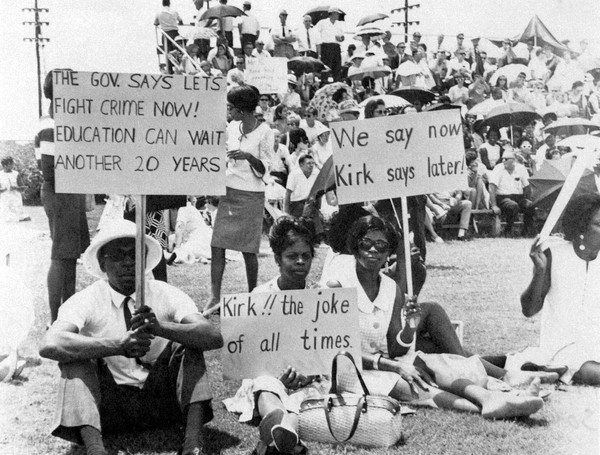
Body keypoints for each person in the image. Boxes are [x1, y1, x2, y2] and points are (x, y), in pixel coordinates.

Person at [328, 215, 545, 419]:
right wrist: (394, 367)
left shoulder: (390, 288)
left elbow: (396, 350)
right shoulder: (337, 286)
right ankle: (491, 406)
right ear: (355, 246)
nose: (373, 250)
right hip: (352, 371)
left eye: (382, 245)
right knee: (419, 387)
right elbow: (338, 350)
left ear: (388, 253)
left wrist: (410, 327)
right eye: (366, 243)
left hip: (389, 361)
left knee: (437, 366)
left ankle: (493, 398)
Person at [39, 219, 223, 455]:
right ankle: (96, 450)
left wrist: (160, 328)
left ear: (145, 260)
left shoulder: (165, 293)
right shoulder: (88, 299)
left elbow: (212, 336)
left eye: (135, 255)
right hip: (108, 405)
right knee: (75, 357)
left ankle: (193, 445)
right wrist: (117, 345)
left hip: (161, 402)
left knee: (188, 345)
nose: (128, 263)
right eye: (117, 256)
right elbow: (50, 344)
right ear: (102, 263)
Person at [223, 217, 325, 455]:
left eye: (306, 256)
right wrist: (277, 373)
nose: (300, 261)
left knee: (302, 397)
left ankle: (274, 440)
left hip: (310, 378)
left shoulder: (321, 297)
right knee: (267, 386)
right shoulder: (261, 297)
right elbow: (251, 355)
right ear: (278, 259)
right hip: (269, 375)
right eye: (292, 256)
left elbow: (328, 347)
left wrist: (309, 373)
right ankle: (279, 426)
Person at [206, 86, 274, 315]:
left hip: (251, 194)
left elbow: (266, 168)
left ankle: (253, 294)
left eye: (232, 107)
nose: (229, 111)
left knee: (248, 250)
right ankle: (214, 296)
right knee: (217, 246)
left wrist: (248, 156)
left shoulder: (265, 131)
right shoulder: (232, 127)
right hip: (229, 191)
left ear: (243, 110)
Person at [521, 194, 600, 385]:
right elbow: (529, 310)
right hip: (562, 345)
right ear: (581, 225)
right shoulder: (554, 254)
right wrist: (539, 272)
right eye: (599, 224)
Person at [37, 70, 90, 323]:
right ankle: (56, 318)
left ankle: (66, 315)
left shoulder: (66, 121)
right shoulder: (50, 125)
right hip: (60, 192)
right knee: (60, 255)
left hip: (70, 191)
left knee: (70, 257)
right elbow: (50, 170)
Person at [489, 150, 535, 237]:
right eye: (502, 159)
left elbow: (527, 187)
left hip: (518, 197)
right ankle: (508, 230)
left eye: (506, 159)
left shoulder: (521, 168)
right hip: (502, 197)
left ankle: (526, 231)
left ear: (513, 160)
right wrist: (494, 205)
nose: (503, 161)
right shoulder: (498, 168)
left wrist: (528, 199)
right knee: (513, 206)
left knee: (530, 205)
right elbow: (492, 187)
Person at [315, 7, 345, 81]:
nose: (338, 15)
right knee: (326, 69)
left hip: (337, 48)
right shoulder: (322, 22)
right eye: (337, 14)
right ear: (332, 13)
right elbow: (316, 35)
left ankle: (337, 84)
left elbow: (342, 37)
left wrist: (341, 38)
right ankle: (324, 83)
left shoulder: (339, 24)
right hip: (326, 47)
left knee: (337, 68)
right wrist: (319, 51)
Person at [154, 0, 183, 75]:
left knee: (168, 52)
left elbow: (155, 23)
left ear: (162, 4)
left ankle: (170, 69)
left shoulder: (158, 13)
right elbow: (180, 20)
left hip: (165, 34)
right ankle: (180, 67)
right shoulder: (174, 12)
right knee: (178, 51)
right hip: (175, 33)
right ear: (169, 4)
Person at [284, 153, 318, 218]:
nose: (311, 165)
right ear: (301, 165)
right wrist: (286, 213)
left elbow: (319, 191)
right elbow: (287, 194)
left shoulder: (316, 173)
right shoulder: (294, 174)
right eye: (308, 163)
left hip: (310, 203)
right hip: (296, 204)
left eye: (312, 163)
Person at [0, 156, 29, 222]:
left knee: (17, 219)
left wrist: (16, 187)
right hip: (5, 200)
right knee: (5, 220)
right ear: (5, 165)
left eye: (12, 164)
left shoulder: (16, 174)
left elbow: (23, 187)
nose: (12, 166)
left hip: (16, 200)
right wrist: (2, 189)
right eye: (10, 164)